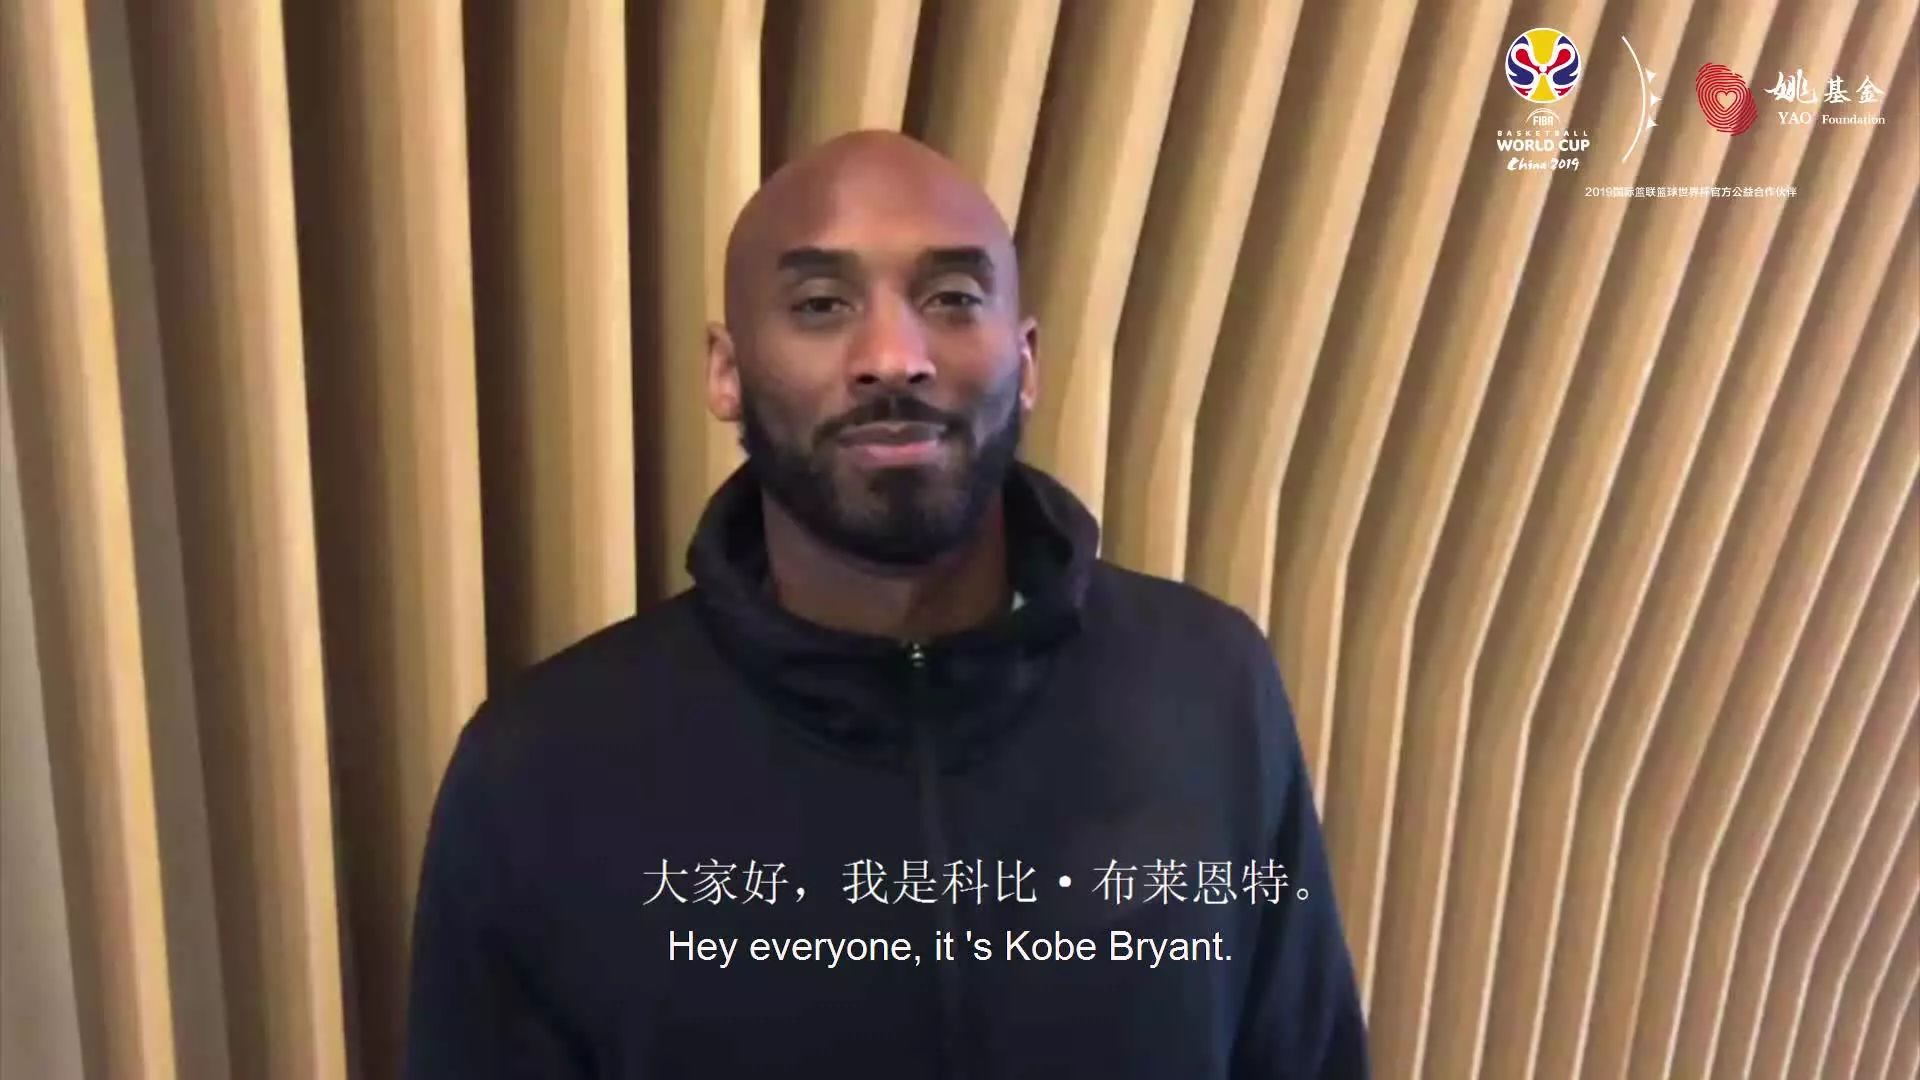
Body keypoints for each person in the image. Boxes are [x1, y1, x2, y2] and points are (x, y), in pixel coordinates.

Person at [405, 129, 1368, 1079]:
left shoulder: (1210, 688)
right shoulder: (541, 773)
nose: (894, 357)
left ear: (1026, 361)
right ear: (727, 371)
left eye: (951, 298)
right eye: (821, 304)